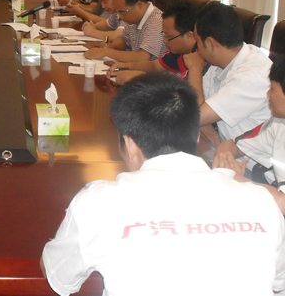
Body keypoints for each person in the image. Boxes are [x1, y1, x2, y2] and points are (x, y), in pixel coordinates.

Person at [41, 72, 285, 296]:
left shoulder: (99, 202)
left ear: (129, 145)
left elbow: (58, 276)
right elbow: (279, 282)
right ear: (196, 136)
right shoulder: (261, 201)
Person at [184, 1, 272, 144]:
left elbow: (195, 117)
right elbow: (191, 104)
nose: (196, 47)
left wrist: (194, 69)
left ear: (210, 43)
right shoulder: (222, 62)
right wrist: (207, 128)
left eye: (197, 40)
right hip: (224, 146)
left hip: (250, 156)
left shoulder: (251, 76)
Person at [213, 58, 285, 202]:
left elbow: (283, 203)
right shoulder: (279, 123)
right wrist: (226, 161)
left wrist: (235, 178)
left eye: (272, 88)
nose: (268, 94)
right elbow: (231, 145)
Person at [107, 0, 200, 85]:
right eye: (164, 34)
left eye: (169, 37)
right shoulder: (178, 50)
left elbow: (185, 88)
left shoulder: (201, 58)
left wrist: (142, 77)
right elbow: (155, 66)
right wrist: (127, 66)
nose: (165, 41)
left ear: (189, 36)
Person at [83, 0, 166, 62]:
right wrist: (112, 46)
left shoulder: (157, 21)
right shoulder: (134, 18)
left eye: (122, 12)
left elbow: (143, 57)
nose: (120, 16)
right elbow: (124, 39)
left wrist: (106, 52)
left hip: (152, 70)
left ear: (139, 5)